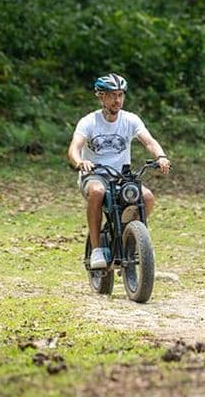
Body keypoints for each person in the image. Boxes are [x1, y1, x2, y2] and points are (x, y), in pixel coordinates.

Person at [67, 73, 171, 269]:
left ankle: (129, 238)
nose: (117, 100)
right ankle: (97, 248)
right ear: (101, 96)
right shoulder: (89, 121)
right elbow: (74, 147)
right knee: (97, 192)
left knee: (147, 198)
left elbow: (149, 141)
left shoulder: (130, 120)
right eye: (112, 95)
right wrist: (80, 162)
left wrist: (161, 156)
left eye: (121, 95)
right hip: (94, 174)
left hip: (121, 176)